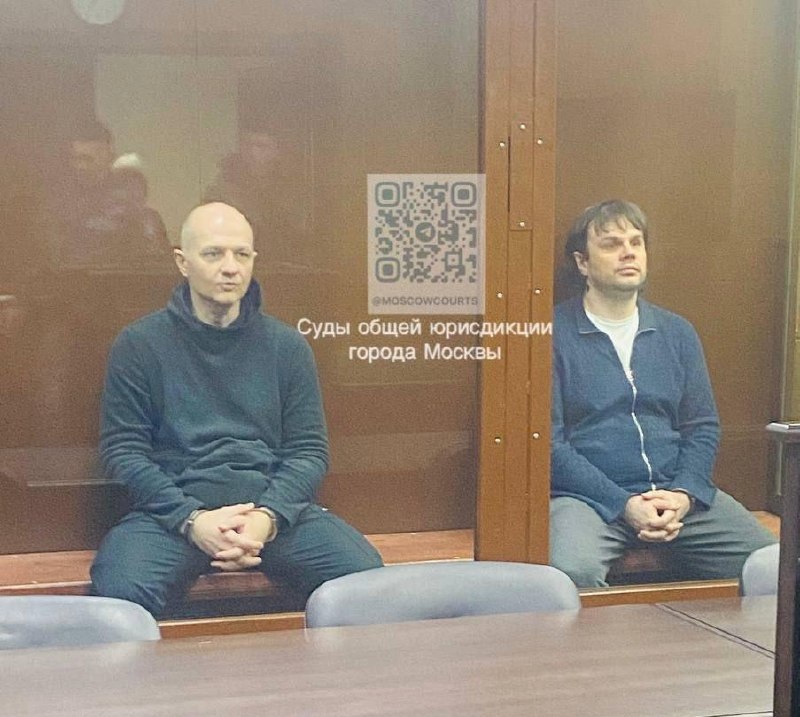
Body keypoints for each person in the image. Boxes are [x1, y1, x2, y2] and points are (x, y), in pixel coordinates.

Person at [90, 202, 382, 616]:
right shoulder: (139, 345)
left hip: (269, 511)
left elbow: (309, 452)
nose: (230, 268)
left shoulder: (286, 346)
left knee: (367, 581)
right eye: (214, 254)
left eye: (241, 254)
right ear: (183, 262)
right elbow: (123, 453)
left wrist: (266, 519)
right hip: (173, 517)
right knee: (120, 591)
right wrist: (192, 521)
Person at [550, 199, 776, 588]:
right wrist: (623, 504)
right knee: (572, 571)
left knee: (773, 567)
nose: (628, 253)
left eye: (636, 242)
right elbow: (549, 444)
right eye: (611, 244)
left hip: (676, 494)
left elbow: (702, 426)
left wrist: (684, 494)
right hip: (589, 500)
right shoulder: (553, 334)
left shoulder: (676, 332)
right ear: (582, 263)